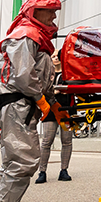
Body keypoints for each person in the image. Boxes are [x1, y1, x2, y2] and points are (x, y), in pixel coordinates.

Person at [0, 0, 64, 202]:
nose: (54, 15)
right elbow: (23, 74)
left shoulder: (30, 35)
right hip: (19, 104)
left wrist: (47, 99)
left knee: (11, 161)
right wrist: (40, 100)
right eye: (49, 10)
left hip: (18, 105)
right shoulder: (26, 34)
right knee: (24, 159)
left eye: (55, 10)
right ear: (33, 11)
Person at [36, 51, 73, 184]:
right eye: (53, 56)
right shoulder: (46, 74)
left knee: (67, 141)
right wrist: (54, 91)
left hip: (66, 110)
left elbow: (72, 88)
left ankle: (64, 170)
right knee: (47, 141)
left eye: (58, 56)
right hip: (51, 110)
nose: (56, 58)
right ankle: (42, 172)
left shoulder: (69, 74)